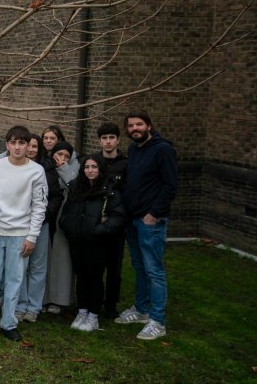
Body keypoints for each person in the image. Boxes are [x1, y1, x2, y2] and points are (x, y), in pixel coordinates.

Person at [0, 125, 47, 342]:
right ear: (7, 144)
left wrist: (32, 237)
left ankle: (8, 323)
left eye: (21, 142)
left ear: (28, 145)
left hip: (20, 234)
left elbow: (39, 206)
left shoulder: (36, 171)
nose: (17, 147)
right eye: (13, 142)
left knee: (14, 280)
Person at [116, 111, 178, 341]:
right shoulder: (134, 149)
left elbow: (170, 185)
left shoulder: (163, 150)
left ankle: (158, 320)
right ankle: (141, 309)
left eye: (139, 124)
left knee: (154, 270)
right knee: (139, 266)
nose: (135, 129)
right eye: (130, 125)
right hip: (133, 220)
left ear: (149, 126)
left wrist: (153, 214)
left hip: (150, 221)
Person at [59, 155, 126, 332]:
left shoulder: (110, 190)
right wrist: (69, 227)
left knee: (95, 277)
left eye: (94, 167)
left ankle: (93, 315)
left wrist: (98, 230)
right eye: (87, 167)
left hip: (97, 242)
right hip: (77, 240)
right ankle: (82, 310)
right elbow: (66, 212)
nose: (90, 170)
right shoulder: (76, 187)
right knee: (81, 276)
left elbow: (118, 217)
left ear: (101, 169)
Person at [15, 134, 64, 323]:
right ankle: (20, 304)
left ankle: (34, 306)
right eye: (30, 146)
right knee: (20, 266)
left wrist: (44, 215)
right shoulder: (15, 167)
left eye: (36, 146)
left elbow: (56, 196)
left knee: (37, 266)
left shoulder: (47, 168)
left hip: (41, 224)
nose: (32, 149)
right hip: (20, 224)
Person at [96, 122, 128, 318]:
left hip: (116, 222)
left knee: (114, 267)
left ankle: (111, 304)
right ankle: (95, 301)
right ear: (99, 141)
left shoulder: (125, 164)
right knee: (96, 265)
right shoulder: (94, 161)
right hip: (96, 220)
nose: (108, 142)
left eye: (111, 138)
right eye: (104, 138)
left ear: (117, 140)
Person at [43, 140, 74, 314]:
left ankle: (58, 298)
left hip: (63, 217)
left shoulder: (70, 170)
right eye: (59, 154)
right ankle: (44, 297)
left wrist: (64, 168)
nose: (61, 158)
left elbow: (74, 186)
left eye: (66, 156)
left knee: (61, 261)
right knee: (43, 260)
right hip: (47, 214)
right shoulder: (44, 167)